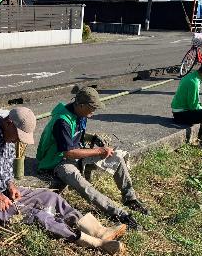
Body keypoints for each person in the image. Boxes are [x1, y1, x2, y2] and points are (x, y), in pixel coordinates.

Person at [0, 107, 126, 254]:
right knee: (38, 215)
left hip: (4, 193)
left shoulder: (9, 138)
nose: (19, 140)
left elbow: (7, 169)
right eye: (18, 135)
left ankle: (97, 230)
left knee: (51, 197)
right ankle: (93, 242)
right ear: (9, 123)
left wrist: (10, 184)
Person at [36, 86, 148, 229]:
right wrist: (98, 151)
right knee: (84, 186)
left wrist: (93, 138)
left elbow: (76, 135)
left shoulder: (80, 114)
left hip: (74, 153)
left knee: (117, 158)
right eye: (92, 108)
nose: (93, 112)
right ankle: (118, 213)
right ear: (81, 105)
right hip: (56, 161)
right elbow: (68, 153)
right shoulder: (62, 121)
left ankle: (130, 198)